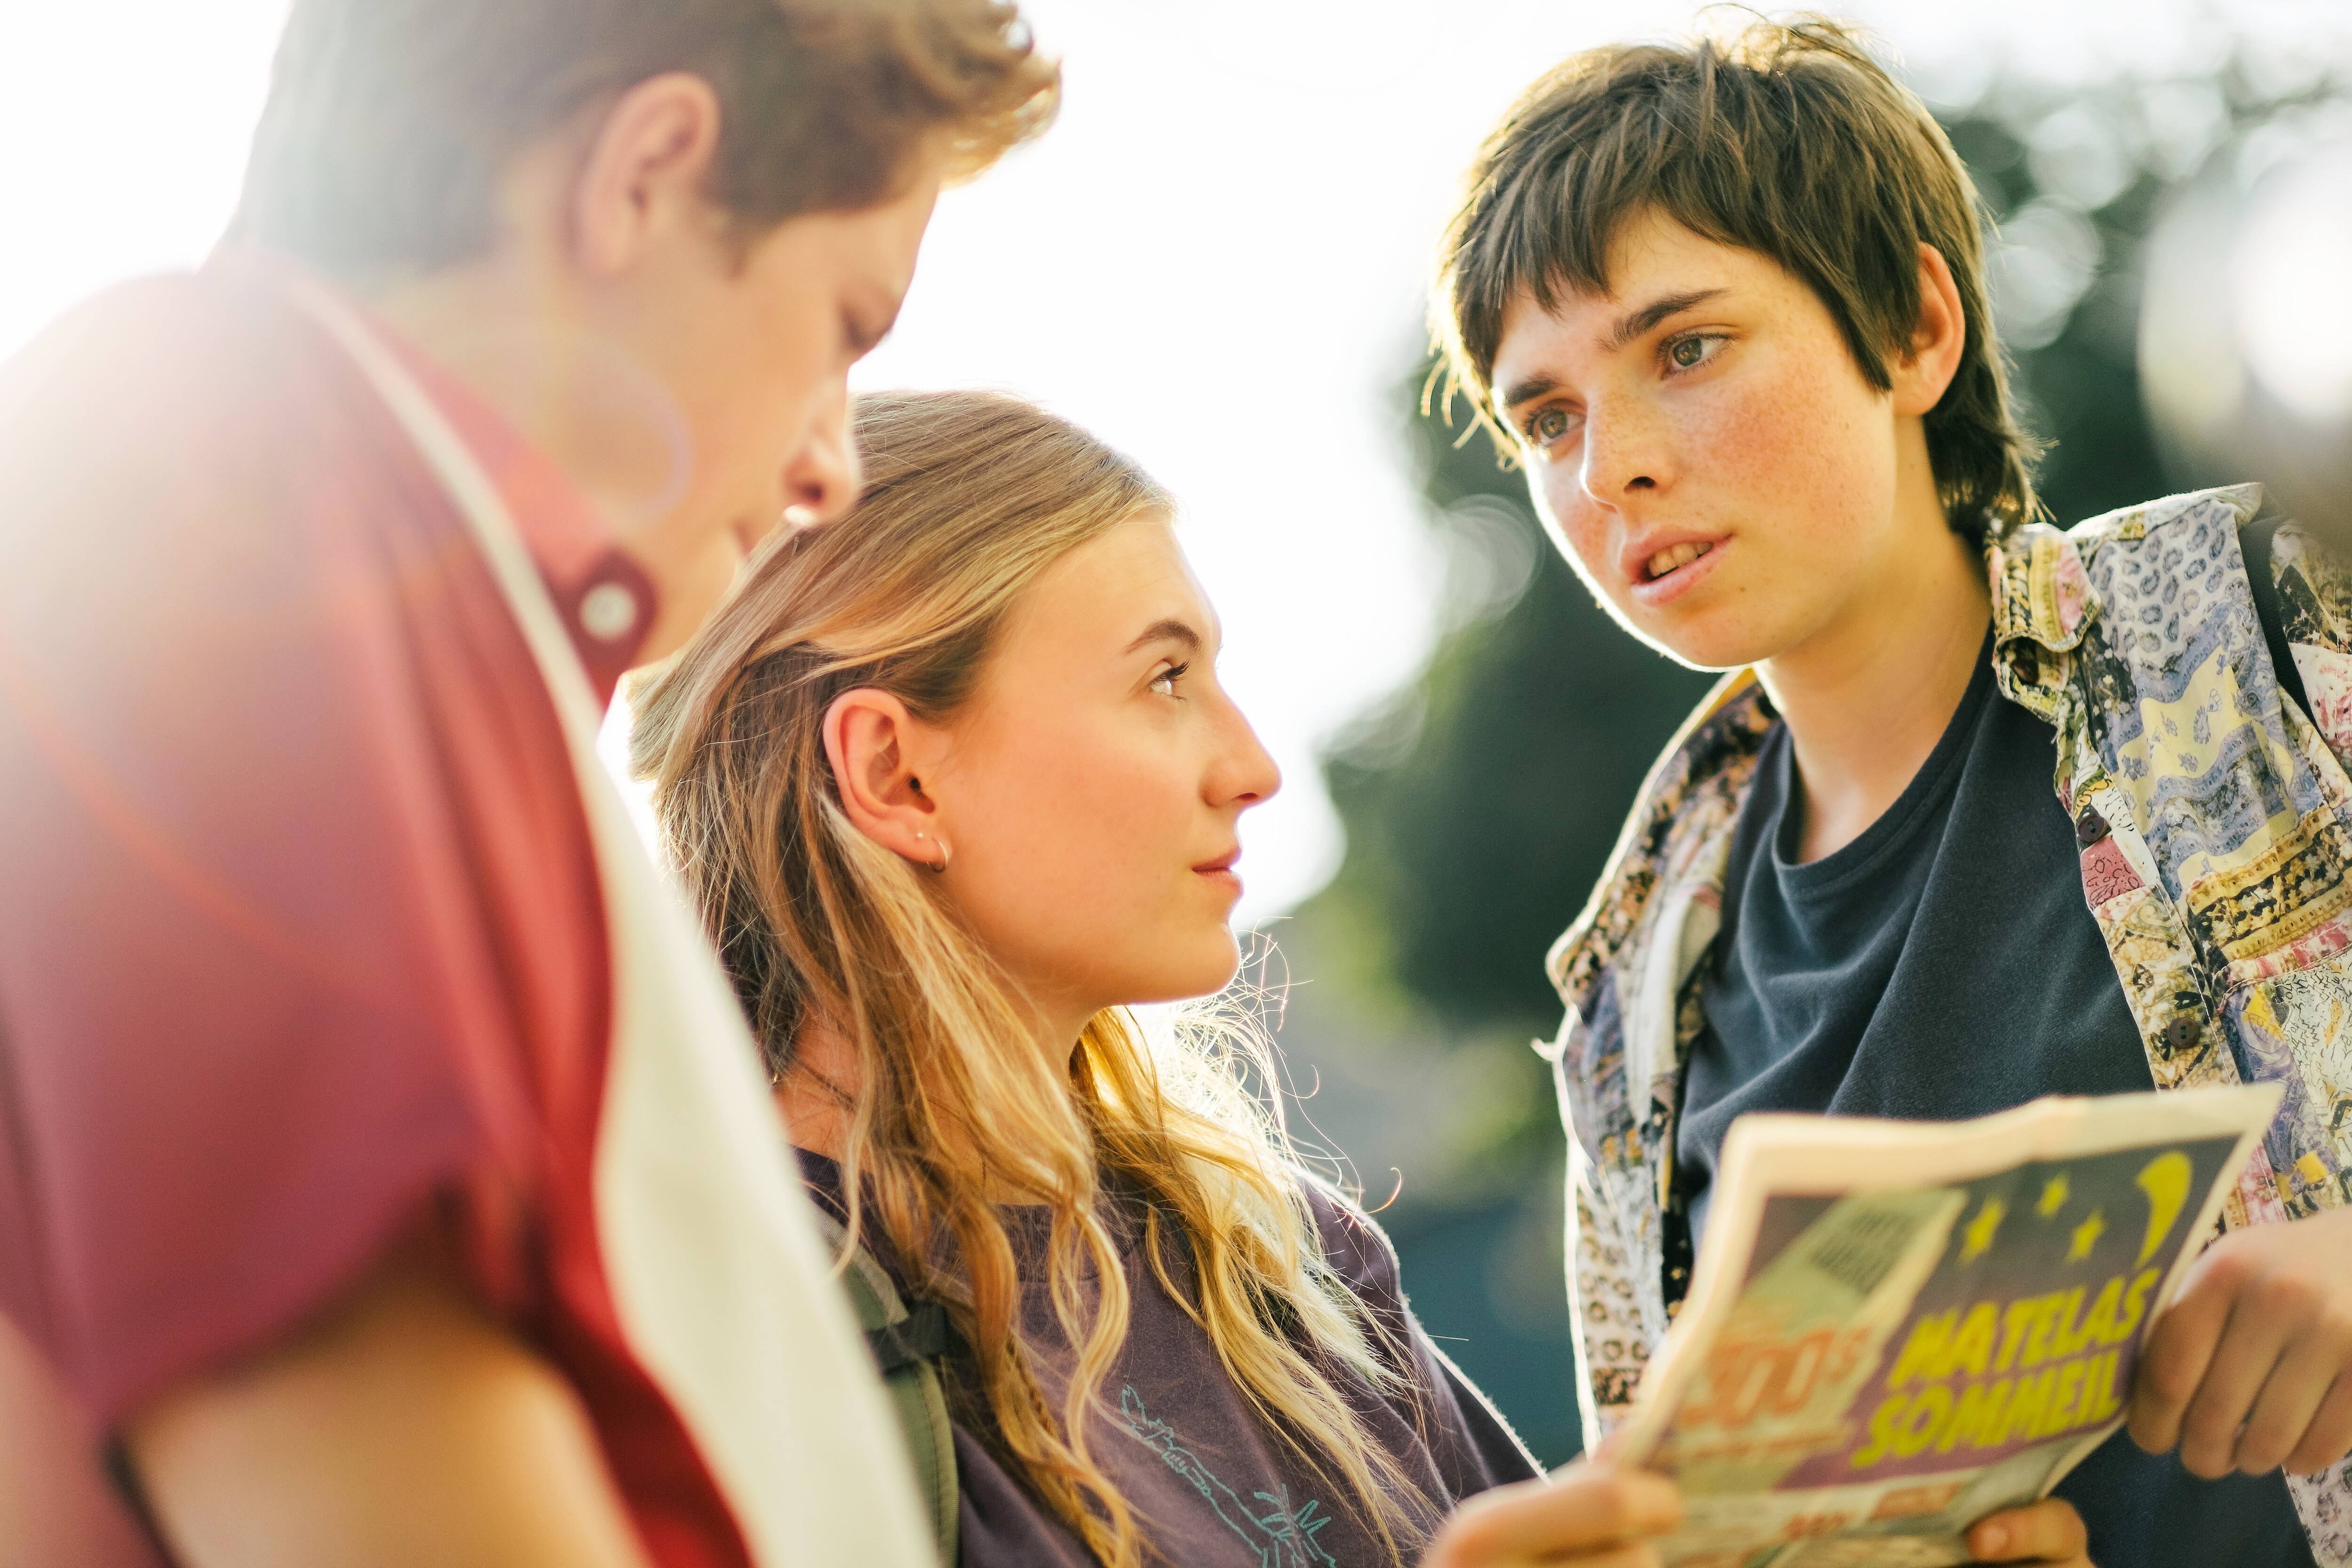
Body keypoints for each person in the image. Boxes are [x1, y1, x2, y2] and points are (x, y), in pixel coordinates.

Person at [0, 3, 1056, 1565]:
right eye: (848, 325)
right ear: (644, 175)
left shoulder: (350, 563)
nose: (834, 464)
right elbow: (345, 1466)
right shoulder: (225, 486)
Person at [1430, 16, 2352, 1568]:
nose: (1612, 469)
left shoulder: (2269, 616)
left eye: (1686, 345)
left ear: (1916, 328)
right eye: (1548, 417)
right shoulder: (1624, 990)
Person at [628, 388, 1691, 1568]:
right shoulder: (691, 1320)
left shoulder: (1291, 1263)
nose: (1251, 767)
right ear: (897, 774)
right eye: (1165, 679)